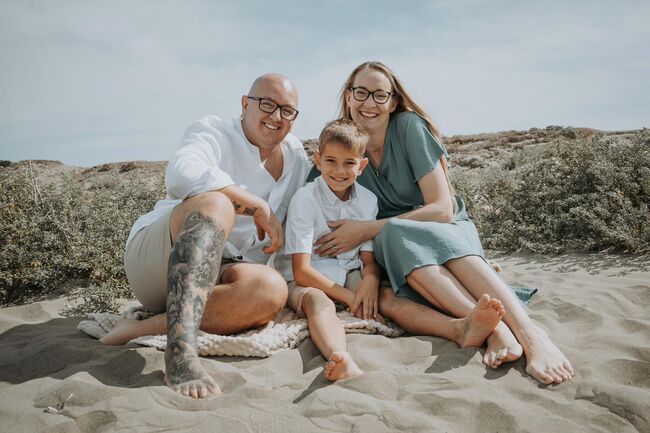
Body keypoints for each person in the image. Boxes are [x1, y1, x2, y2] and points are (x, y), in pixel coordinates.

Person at [310, 61, 574, 385]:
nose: (369, 103)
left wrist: (366, 229)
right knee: (393, 238)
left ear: (392, 102)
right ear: (348, 97)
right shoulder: (342, 149)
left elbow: (441, 209)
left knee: (392, 232)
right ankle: (493, 328)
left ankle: (532, 335)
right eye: (361, 93)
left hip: (446, 231)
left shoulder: (407, 127)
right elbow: (311, 195)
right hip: (399, 249)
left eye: (380, 95)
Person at [100, 73, 310, 399]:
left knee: (270, 288)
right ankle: (181, 351)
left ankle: (140, 329)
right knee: (217, 202)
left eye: (287, 110)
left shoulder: (297, 159)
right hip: (159, 256)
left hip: (223, 270)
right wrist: (254, 205)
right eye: (267, 104)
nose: (276, 117)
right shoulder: (213, 131)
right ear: (245, 104)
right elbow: (181, 175)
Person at [277, 119, 507, 381]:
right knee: (318, 302)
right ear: (317, 161)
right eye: (330, 161)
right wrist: (350, 298)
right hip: (308, 277)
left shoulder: (367, 199)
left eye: (349, 163)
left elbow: (367, 256)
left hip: (351, 270)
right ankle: (339, 356)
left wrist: (371, 280)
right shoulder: (305, 199)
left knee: (386, 299)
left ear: (361, 166)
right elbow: (302, 270)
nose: (339, 170)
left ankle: (458, 329)